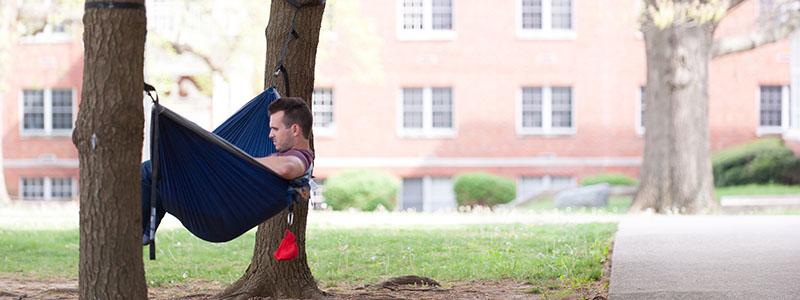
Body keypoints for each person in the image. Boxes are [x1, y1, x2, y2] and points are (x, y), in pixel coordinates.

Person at [141, 96, 314, 245]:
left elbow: (287, 167)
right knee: (161, 176)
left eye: (275, 129)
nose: (270, 134)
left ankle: (138, 234)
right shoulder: (284, 154)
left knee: (151, 170)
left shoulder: (301, 158)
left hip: (217, 216)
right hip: (217, 208)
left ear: (295, 130)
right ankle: (143, 232)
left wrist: (237, 161)